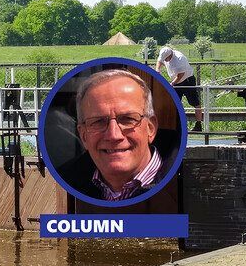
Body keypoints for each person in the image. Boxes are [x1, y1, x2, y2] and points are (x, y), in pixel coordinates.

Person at [57, 70, 179, 202]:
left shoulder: (187, 181)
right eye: (98, 121)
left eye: (127, 119)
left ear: (150, 128)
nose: (114, 135)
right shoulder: (63, 184)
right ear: (83, 135)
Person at [156, 46, 203, 131]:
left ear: (170, 55)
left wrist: (172, 84)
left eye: (166, 59)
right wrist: (157, 70)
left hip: (187, 80)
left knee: (195, 102)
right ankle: (176, 125)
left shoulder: (179, 58)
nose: (165, 61)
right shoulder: (164, 56)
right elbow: (159, 61)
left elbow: (180, 75)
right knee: (173, 102)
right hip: (176, 81)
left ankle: (198, 125)